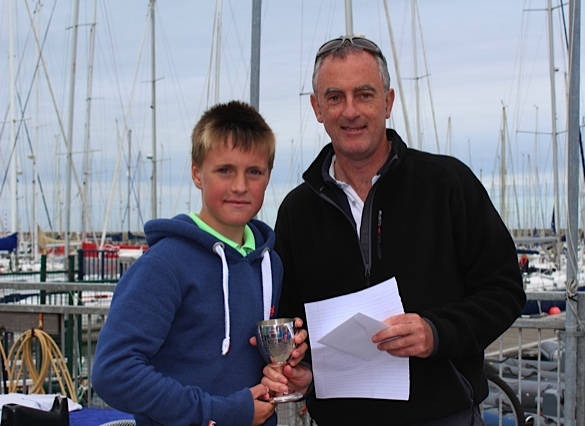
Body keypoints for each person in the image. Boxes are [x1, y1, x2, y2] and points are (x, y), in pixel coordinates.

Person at [263, 36, 526, 425]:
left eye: (364, 95)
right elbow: (293, 320)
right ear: (317, 109)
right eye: (335, 97)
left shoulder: (447, 183)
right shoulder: (297, 211)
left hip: (444, 417)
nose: (350, 111)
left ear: (387, 101)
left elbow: (505, 290)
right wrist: (304, 372)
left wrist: (435, 332)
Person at [92, 100, 307, 426]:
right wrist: (220, 412)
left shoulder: (270, 264)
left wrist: (283, 362)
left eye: (254, 172)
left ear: (268, 176)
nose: (239, 186)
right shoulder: (164, 265)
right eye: (225, 170)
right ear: (196, 173)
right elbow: (113, 370)